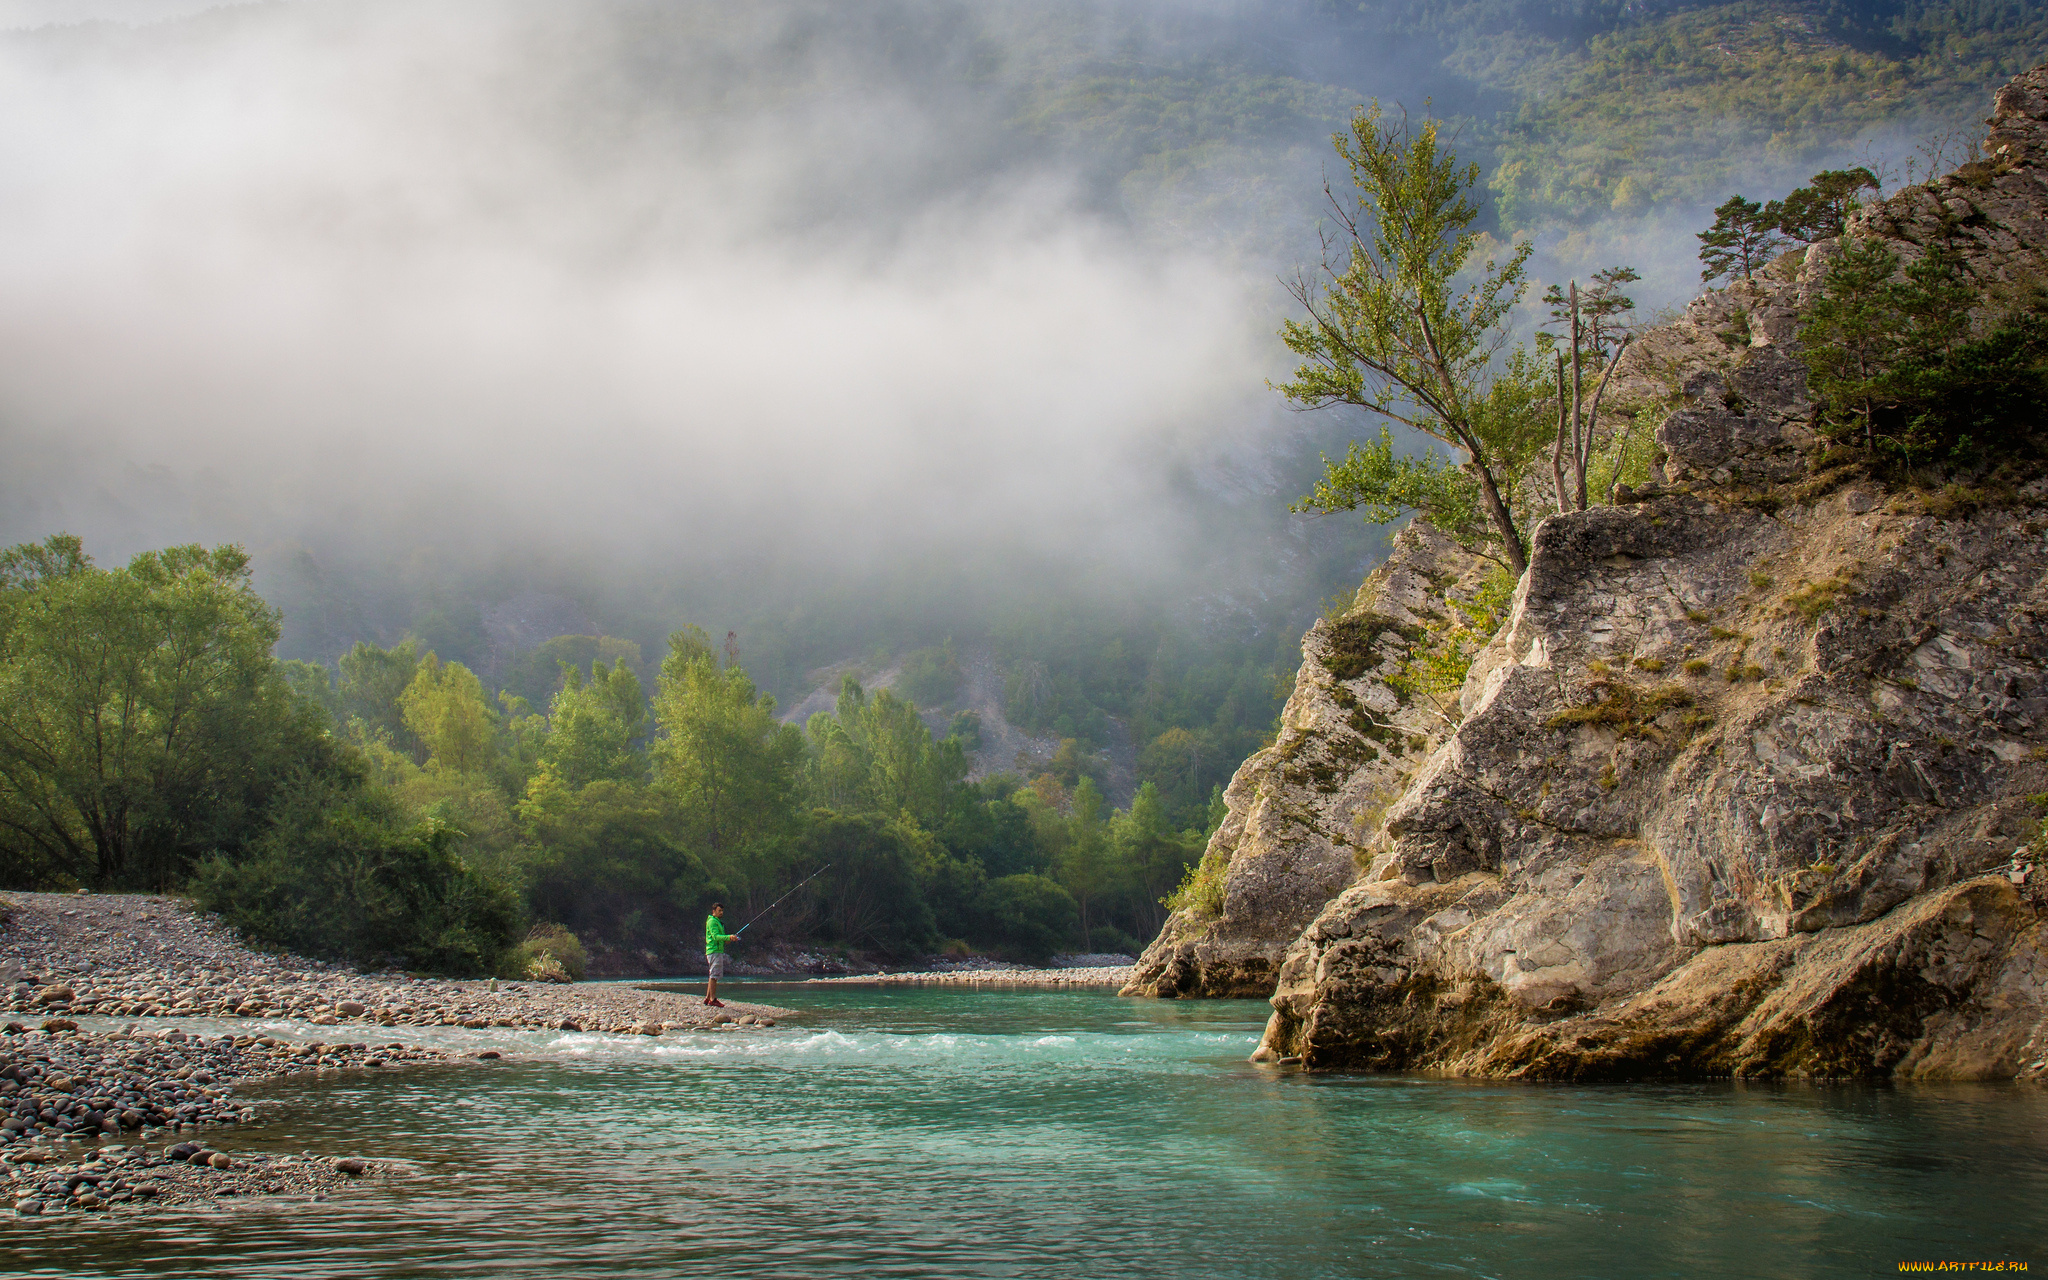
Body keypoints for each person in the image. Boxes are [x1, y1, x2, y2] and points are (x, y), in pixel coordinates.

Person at [704, 903, 736, 1007]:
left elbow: (721, 938)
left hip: (716, 950)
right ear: (714, 911)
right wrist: (728, 937)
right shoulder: (713, 921)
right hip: (714, 951)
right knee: (714, 975)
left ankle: (708, 998)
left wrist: (729, 939)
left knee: (712, 975)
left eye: (722, 911)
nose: (721, 913)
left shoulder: (717, 922)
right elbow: (716, 937)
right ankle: (713, 999)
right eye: (719, 911)